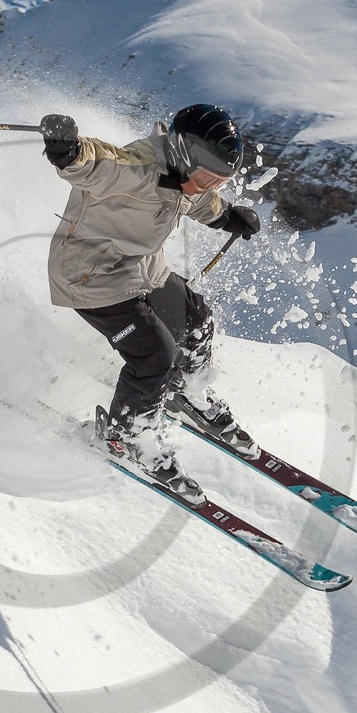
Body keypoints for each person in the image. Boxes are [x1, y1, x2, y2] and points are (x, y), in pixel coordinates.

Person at [40, 104, 261, 500]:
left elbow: (198, 200)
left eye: (220, 181)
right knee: (156, 356)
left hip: (138, 263)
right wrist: (68, 151)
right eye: (207, 177)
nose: (209, 186)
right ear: (182, 155)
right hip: (91, 275)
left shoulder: (188, 178)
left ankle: (187, 389)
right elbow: (97, 163)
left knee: (197, 320)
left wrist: (227, 216)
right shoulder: (138, 167)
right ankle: (126, 436)